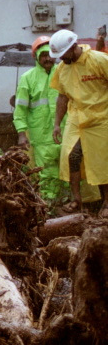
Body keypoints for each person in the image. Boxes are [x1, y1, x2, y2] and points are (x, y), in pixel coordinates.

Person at [50, 28, 108, 213]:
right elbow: (62, 97)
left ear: (74, 46)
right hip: (76, 117)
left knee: (101, 162)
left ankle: (106, 202)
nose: (60, 58)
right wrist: (57, 124)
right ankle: (77, 200)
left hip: (101, 117)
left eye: (62, 54)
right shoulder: (62, 68)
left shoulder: (99, 60)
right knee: (71, 157)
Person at [13, 37, 63, 202]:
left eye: (50, 54)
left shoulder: (63, 72)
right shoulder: (28, 78)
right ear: (36, 57)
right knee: (46, 171)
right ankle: (50, 204)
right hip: (40, 134)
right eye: (43, 55)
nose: (48, 58)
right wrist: (21, 133)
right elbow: (20, 109)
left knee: (67, 168)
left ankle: (66, 201)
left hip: (63, 131)